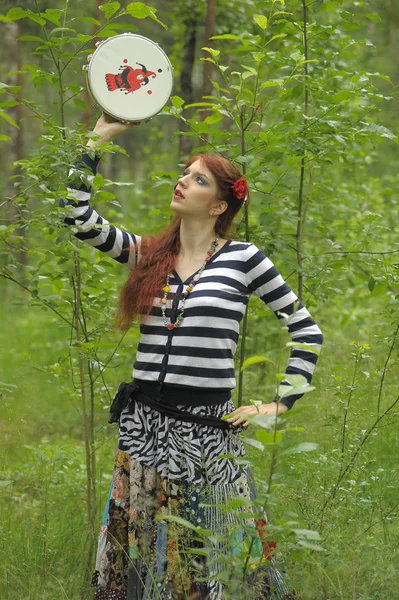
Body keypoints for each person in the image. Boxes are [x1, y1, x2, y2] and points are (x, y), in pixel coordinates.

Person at [60, 114, 323, 600]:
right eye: (185, 172)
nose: (183, 181)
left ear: (219, 203)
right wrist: (96, 140)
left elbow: (306, 331)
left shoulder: (245, 259)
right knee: (137, 550)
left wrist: (278, 404)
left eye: (198, 178)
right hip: (143, 428)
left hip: (206, 430)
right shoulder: (148, 253)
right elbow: (77, 216)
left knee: (210, 552)